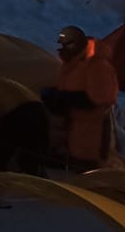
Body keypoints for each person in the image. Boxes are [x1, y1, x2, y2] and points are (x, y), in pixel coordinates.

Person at [41, 26, 119, 171]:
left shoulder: (98, 64)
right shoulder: (72, 63)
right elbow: (68, 88)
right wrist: (55, 95)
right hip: (73, 132)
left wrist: (68, 98)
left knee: (89, 174)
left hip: (92, 134)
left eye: (66, 45)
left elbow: (103, 98)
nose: (62, 49)